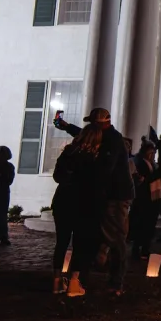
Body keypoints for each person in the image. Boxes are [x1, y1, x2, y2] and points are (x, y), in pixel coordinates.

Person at [51, 123, 102, 295]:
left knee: (62, 242)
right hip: (83, 203)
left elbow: (57, 176)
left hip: (63, 200)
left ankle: (57, 281)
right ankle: (74, 282)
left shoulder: (68, 152)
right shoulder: (94, 157)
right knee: (80, 244)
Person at [88, 108, 134, 296]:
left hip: (117, 196)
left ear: (100, 124)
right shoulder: (109, 138)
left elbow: (106, 169)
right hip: (115, 195)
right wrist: (67, 127)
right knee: (114, 235)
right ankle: (111, 274)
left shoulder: (112, 141)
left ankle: (116, 280)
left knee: (116, 236)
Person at [129, 141, 159, 260]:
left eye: (153, 152)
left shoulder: (152, 164)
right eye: (150, 152)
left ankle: (145, 248)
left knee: (148, 226)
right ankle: (137, 249)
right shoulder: (139, 162)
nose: (152, 155)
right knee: (140, 225)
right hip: (142, 198)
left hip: (152, 196)